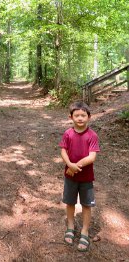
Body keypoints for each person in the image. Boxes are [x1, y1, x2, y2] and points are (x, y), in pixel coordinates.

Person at [59, 101, 100, 252]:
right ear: (71, 117)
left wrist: (75, 167)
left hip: (86, 178)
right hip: (69, 177)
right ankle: (70, 226)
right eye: (77, 115)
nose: (80, 118)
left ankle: (85, 231)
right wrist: (69, 164)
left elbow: (92, 157)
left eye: (83, 115)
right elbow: (63, 150)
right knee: (70, 202)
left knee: (86, 205)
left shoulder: (92, 135)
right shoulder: (68, 133)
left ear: (89, 117)